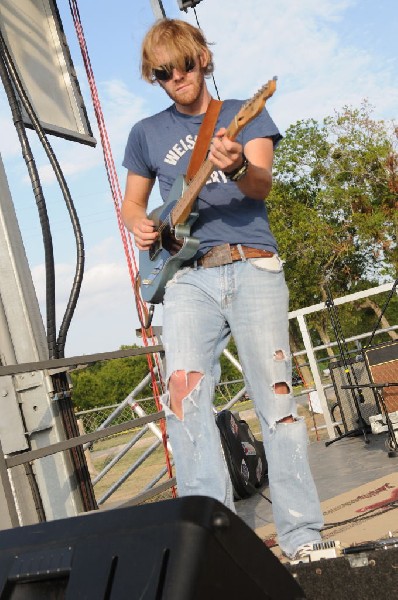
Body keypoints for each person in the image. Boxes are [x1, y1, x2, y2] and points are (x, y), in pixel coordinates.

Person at [121, 18, 324, 561]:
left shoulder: (243, 113)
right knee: (184, 407)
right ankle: (216, 551)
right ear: (155, 77)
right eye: (163, 72)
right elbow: (132, 204)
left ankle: (303, 537)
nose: (177, 77)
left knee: (275, 401)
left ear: (202, 59)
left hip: (251, 265)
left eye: (184, 64)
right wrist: (140, 224)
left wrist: (234, 167)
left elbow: (260, 184)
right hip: (186, 280)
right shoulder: (145, 132)